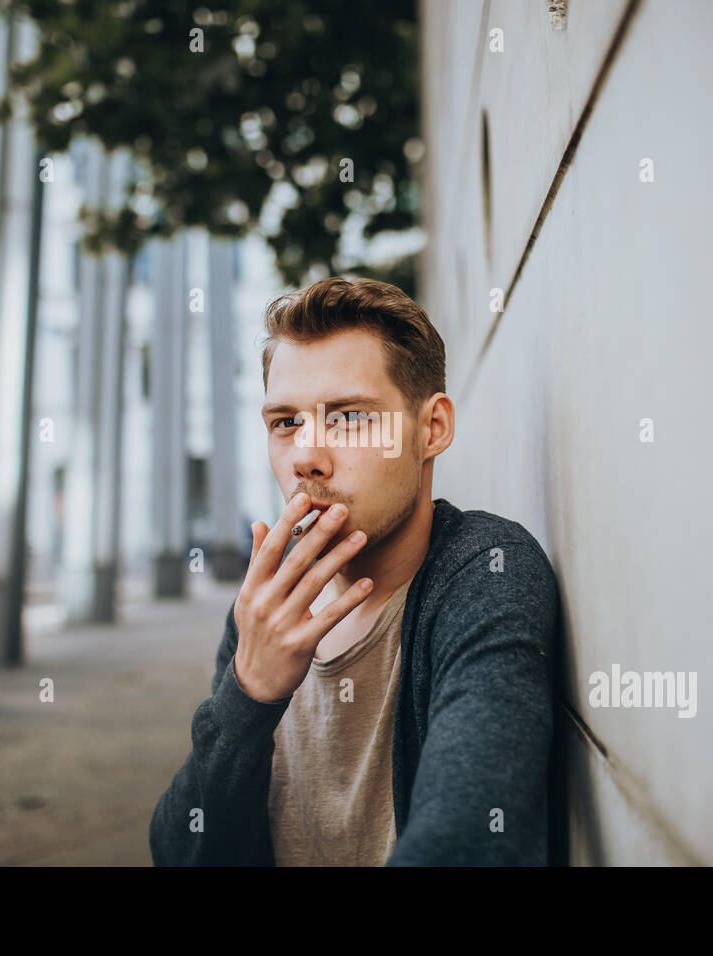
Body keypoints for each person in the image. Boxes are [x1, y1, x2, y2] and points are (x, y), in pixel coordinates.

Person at [150, 276, 561, 865]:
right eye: (285, 422)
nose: (306, 456)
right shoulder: (269, 605)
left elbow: (470, 839)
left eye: (346, 417)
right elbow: (180, 850)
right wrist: (248, 694)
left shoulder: (485, 572)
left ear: (431, 429)